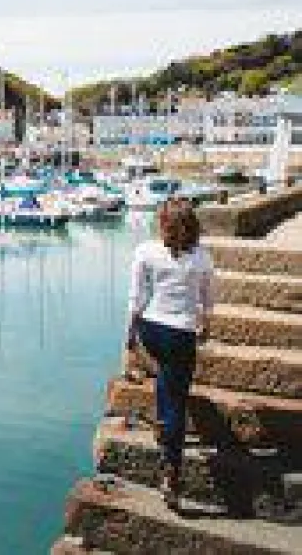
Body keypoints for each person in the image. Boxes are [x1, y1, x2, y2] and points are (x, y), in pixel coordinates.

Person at [125, 197, 214, 509]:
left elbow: (136, 299)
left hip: (152, 329)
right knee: (177, 397)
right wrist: (205, 324)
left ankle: (163, 428)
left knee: (166, 374)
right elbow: (207, 298)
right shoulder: (202, 257)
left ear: (162, 224)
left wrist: (130, 339)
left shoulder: (145, 251)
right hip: (181, 333)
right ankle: (172, 470)